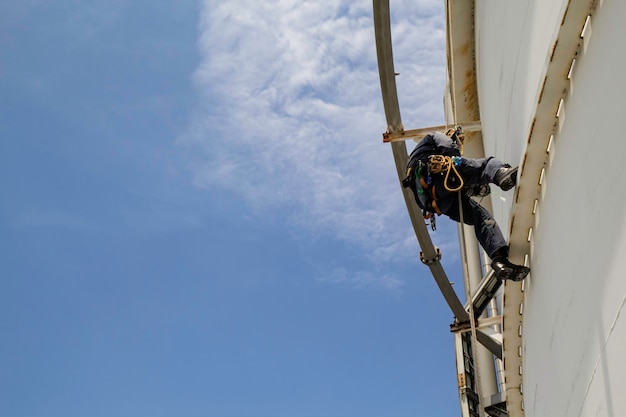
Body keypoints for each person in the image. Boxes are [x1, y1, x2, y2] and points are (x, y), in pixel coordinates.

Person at [402, 127, 530, 281]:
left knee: (481, 218)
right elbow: (449, 148)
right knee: (486, 165)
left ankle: (499, 260)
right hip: (438, 172)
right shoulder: (434, 137)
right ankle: (500, 174)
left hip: (440, 203)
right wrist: (455, 157)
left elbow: (451, 186)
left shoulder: (414, 167)